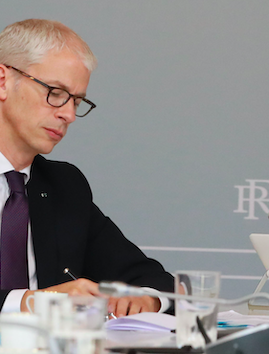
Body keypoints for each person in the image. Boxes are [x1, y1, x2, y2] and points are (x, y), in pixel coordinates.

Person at [0, 19, 173, 315]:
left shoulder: (63, 185)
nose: (68, 114)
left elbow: (149, 277)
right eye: (56, 93)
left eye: (77, 102)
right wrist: (33, 301)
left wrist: (147, 299)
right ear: (3, 81)